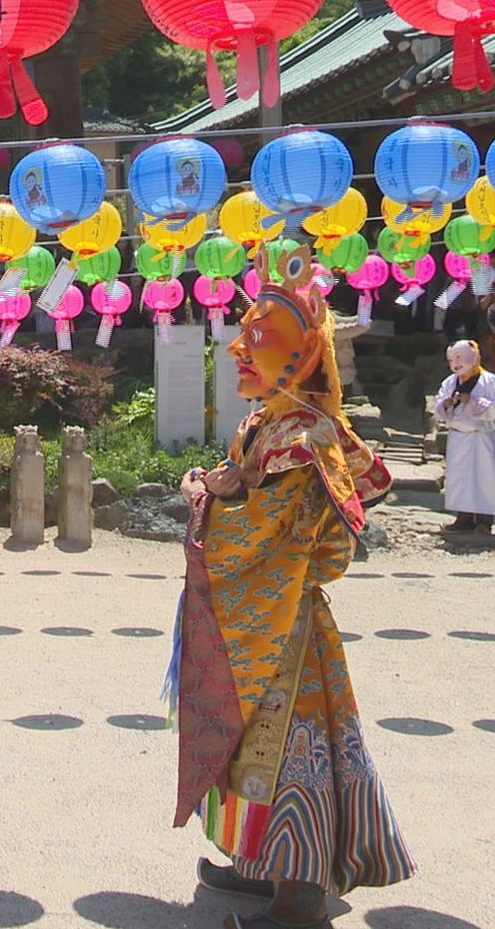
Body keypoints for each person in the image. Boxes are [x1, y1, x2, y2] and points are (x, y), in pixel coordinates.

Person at [172, 248, 411, 929]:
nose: (242, 347)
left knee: (285, 748)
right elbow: (249, 491)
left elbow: (272, 532)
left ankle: (298, 893)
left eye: (263, 335)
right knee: (252, 745)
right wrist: (225, 485)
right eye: (246, 331)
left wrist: (209, 502)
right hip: (266, 623)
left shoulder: (303, 437)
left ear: (304, 354)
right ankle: (261, 862)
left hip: (286, 631)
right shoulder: (270, 423)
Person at [434, 339, 495, 534]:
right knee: (460, 478)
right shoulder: (450, 382)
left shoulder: (490, 381)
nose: (455, 363)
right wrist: (446, 404)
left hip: (483, 436)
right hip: (459, 437)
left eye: (459, 357)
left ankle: (485, 521)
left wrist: (474, 402)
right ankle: (464, 518)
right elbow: (439, 404)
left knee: (485, 478)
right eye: (451, 359)